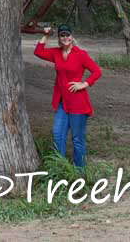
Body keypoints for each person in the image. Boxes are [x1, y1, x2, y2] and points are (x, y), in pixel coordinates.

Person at [34, 23, 102, 170]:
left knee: (77, 139)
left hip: (77, 102)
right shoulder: (56, 53)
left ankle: (79, 171)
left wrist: (84, 84)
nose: (65, 38)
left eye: (67, 35)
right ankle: (60, 167)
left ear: (72, 37)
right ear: (59, 38)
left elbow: (97, 71)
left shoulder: (80, 54)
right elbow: (38, 52)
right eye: (62, 35)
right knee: (58, 135)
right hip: (61, 102)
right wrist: (46, 35)